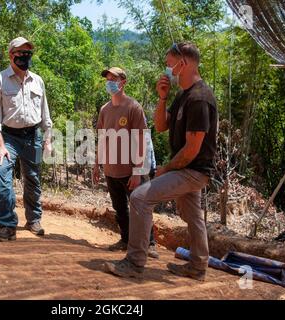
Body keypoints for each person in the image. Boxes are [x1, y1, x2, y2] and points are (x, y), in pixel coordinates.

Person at [104, 42, 218, 281]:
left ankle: (135, 262)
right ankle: (197, 267)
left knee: (139, 198)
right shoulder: (183, 95)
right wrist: (163, 98)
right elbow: (161, 125)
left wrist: (165, 169)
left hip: (192, 170)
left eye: (169, 65)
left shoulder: (199, 98)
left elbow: (192, 149)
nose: (167, 70)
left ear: (183, 64)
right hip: (188, 168)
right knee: (193, 215)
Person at [0, 36, 53, 241]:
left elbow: (45, 113)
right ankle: (7, 225)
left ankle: (33, 220)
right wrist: (0, 145)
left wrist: (47, 138)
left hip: (34, 137)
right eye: (20, 53)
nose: (25, 57)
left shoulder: (37, 80)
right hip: (9, 137)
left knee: (33, 179)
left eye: (28, 53)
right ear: (11, 55)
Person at [93, 67, 159, 259]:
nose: (109, 82)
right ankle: (125, 239)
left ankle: (150, 243)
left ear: (123, 82)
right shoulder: (105, 110)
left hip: (132, 170)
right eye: (107, 78)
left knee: (141, 207)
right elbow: (102, 138)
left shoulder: (133, 107)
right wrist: (97, 164)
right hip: (111, 169)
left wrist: (138, 171)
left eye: (114, 78)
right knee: (120, 208)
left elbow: (142, 140)